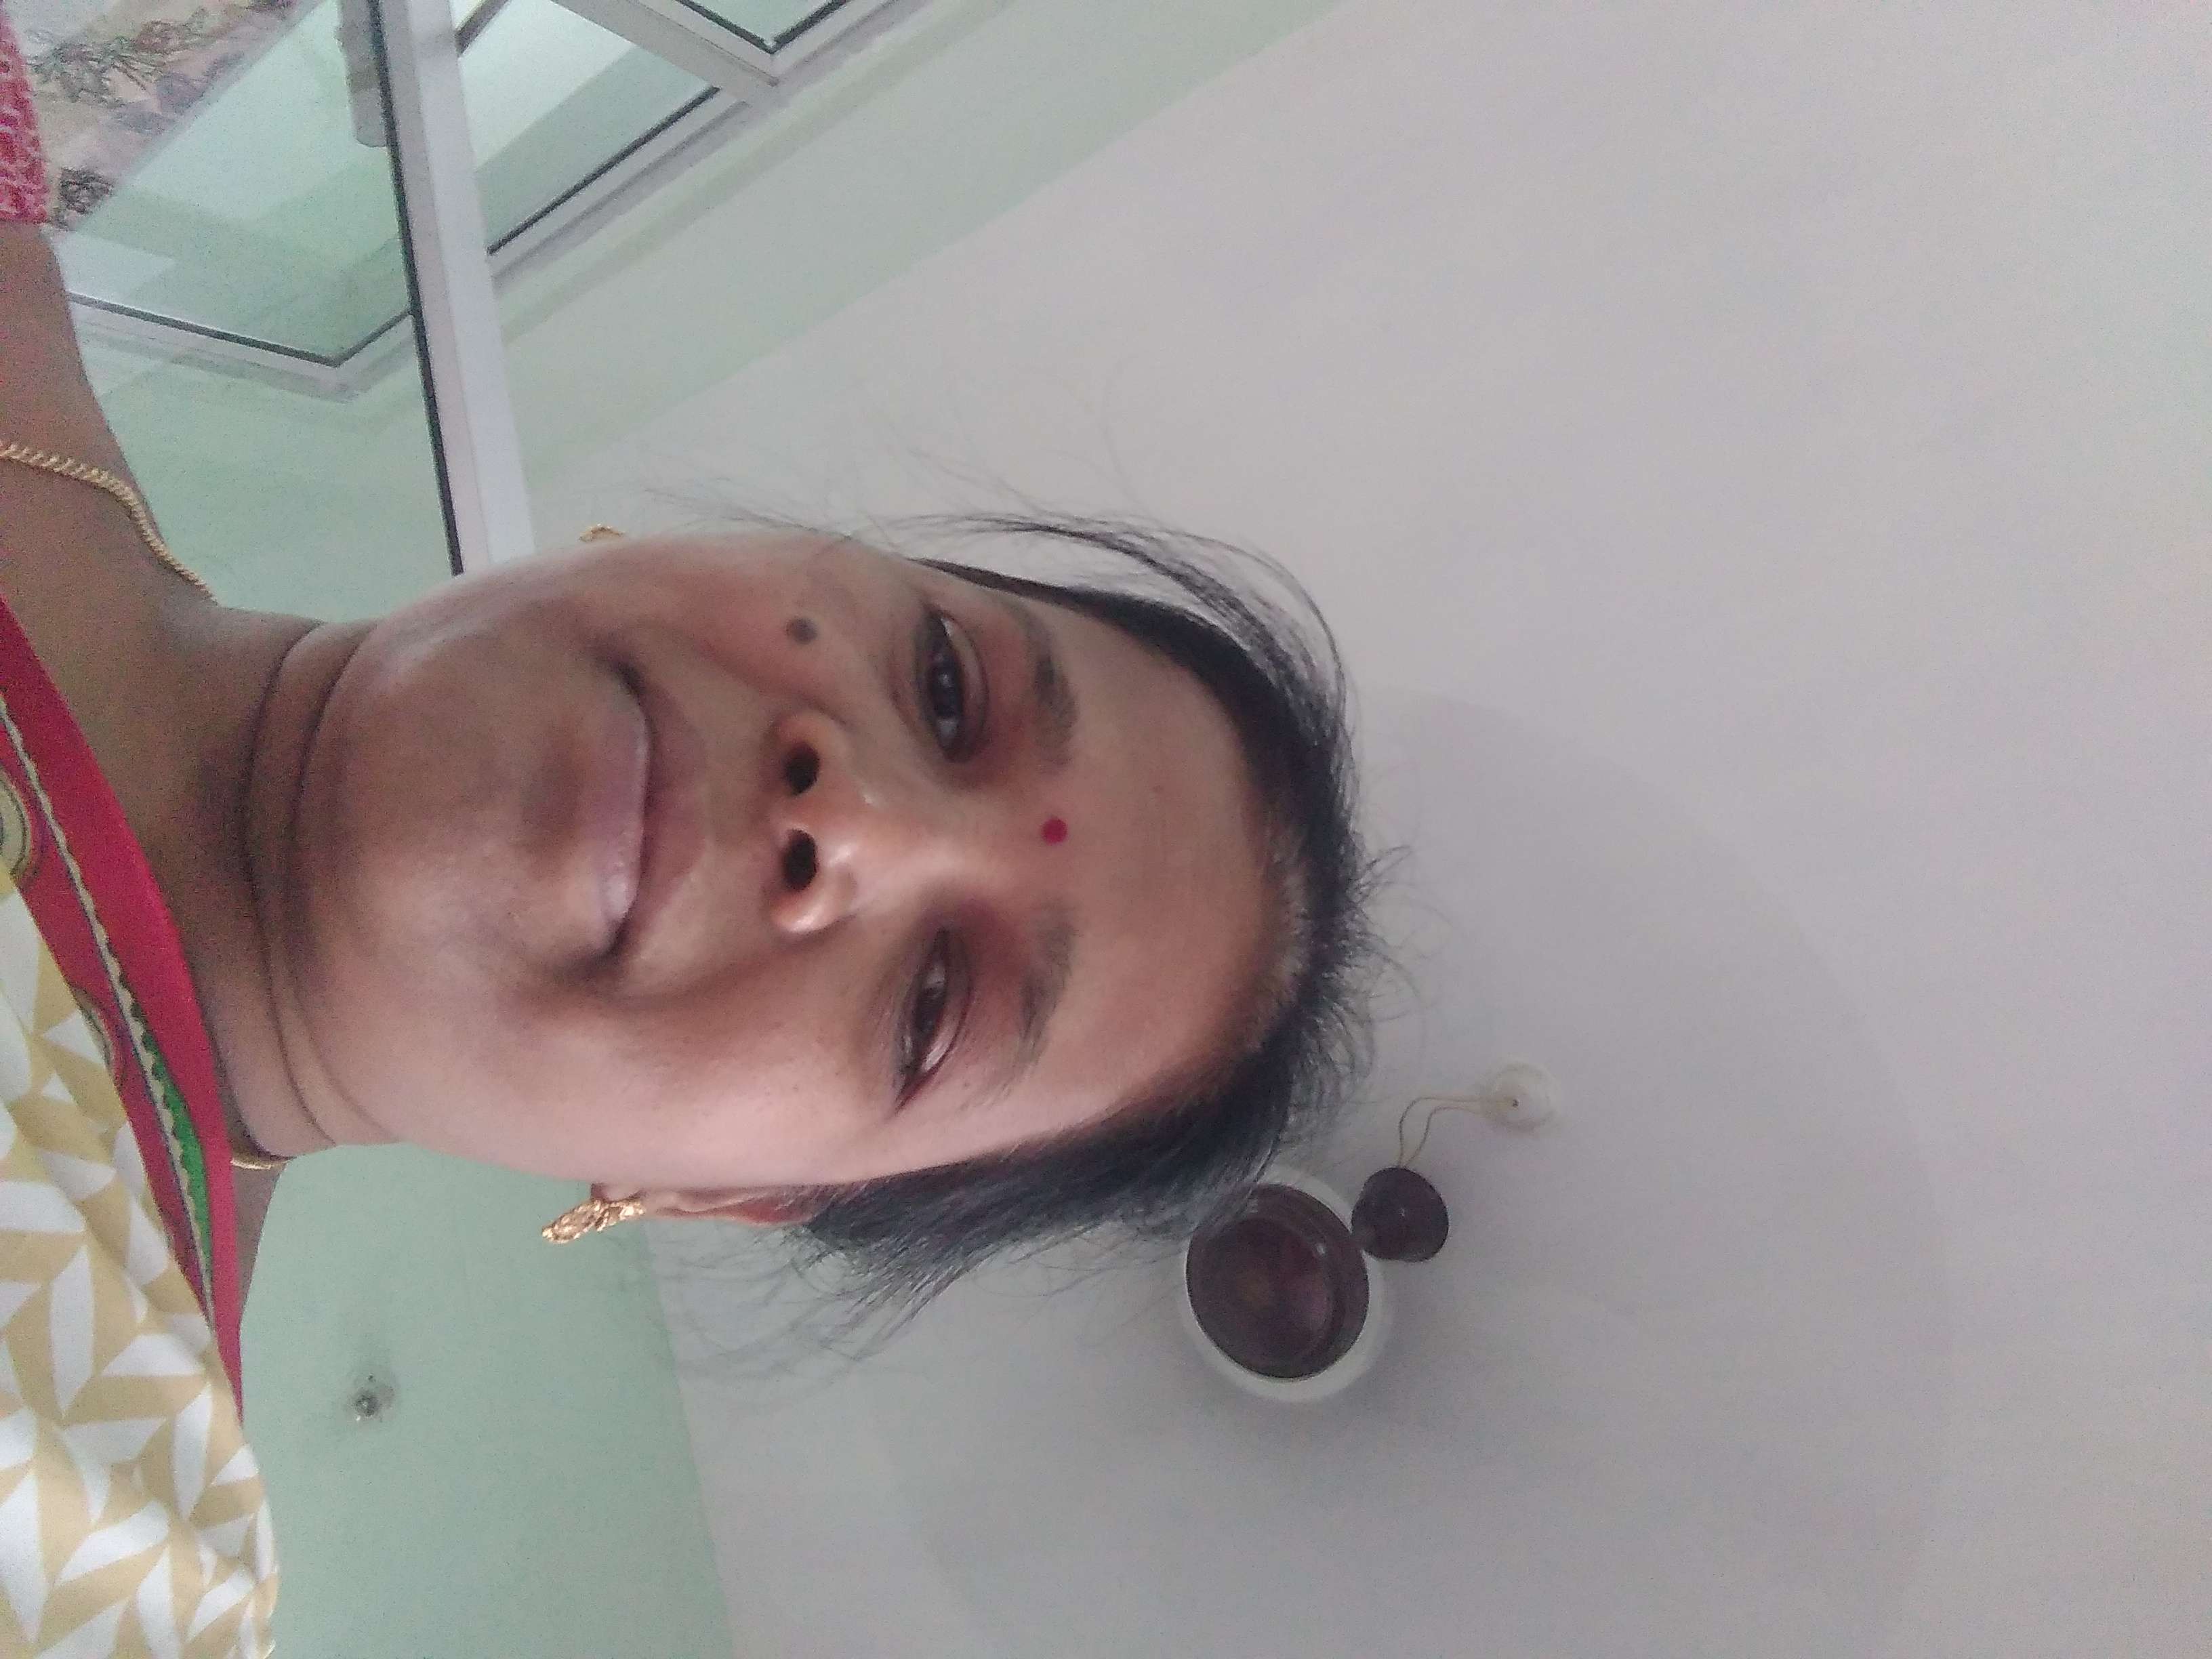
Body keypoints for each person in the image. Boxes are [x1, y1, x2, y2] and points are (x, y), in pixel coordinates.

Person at [0, 9, 1374, 1655]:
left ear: (719, 1194)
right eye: (947, 688)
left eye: (935, 1006)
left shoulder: (100, 1529)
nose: (851, 819)